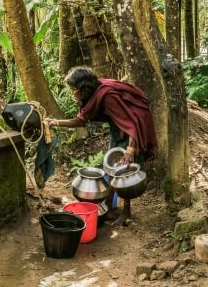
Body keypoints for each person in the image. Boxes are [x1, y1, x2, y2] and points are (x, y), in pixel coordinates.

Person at [46, 67, 158, 223]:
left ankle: (126, 211)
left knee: (124, 173)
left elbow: (131, 123)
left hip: (130, 134)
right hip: (117, 129)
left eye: (73, 90)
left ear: (83, 89)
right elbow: (82, 120)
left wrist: (129, 150)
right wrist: (55, 123)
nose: (72, 93)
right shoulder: (96, 91)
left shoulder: (108, 97)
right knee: (111, 170)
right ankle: (107, 206)